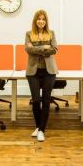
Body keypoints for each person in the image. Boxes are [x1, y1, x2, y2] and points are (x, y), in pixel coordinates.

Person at [25, 9, 58, 142]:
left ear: (46, 21)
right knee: (36, 100)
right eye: (39, 19)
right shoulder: (28, 34)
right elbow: (28, 49)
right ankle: (38, 127)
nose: (41, 21)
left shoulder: (51, 33)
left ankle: (41, 130)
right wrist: (45, 47)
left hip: (49, 71)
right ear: (35, 20)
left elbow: (54, 49)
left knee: (46, 100)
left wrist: (36, 48)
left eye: (43, 19)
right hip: (33, 71)